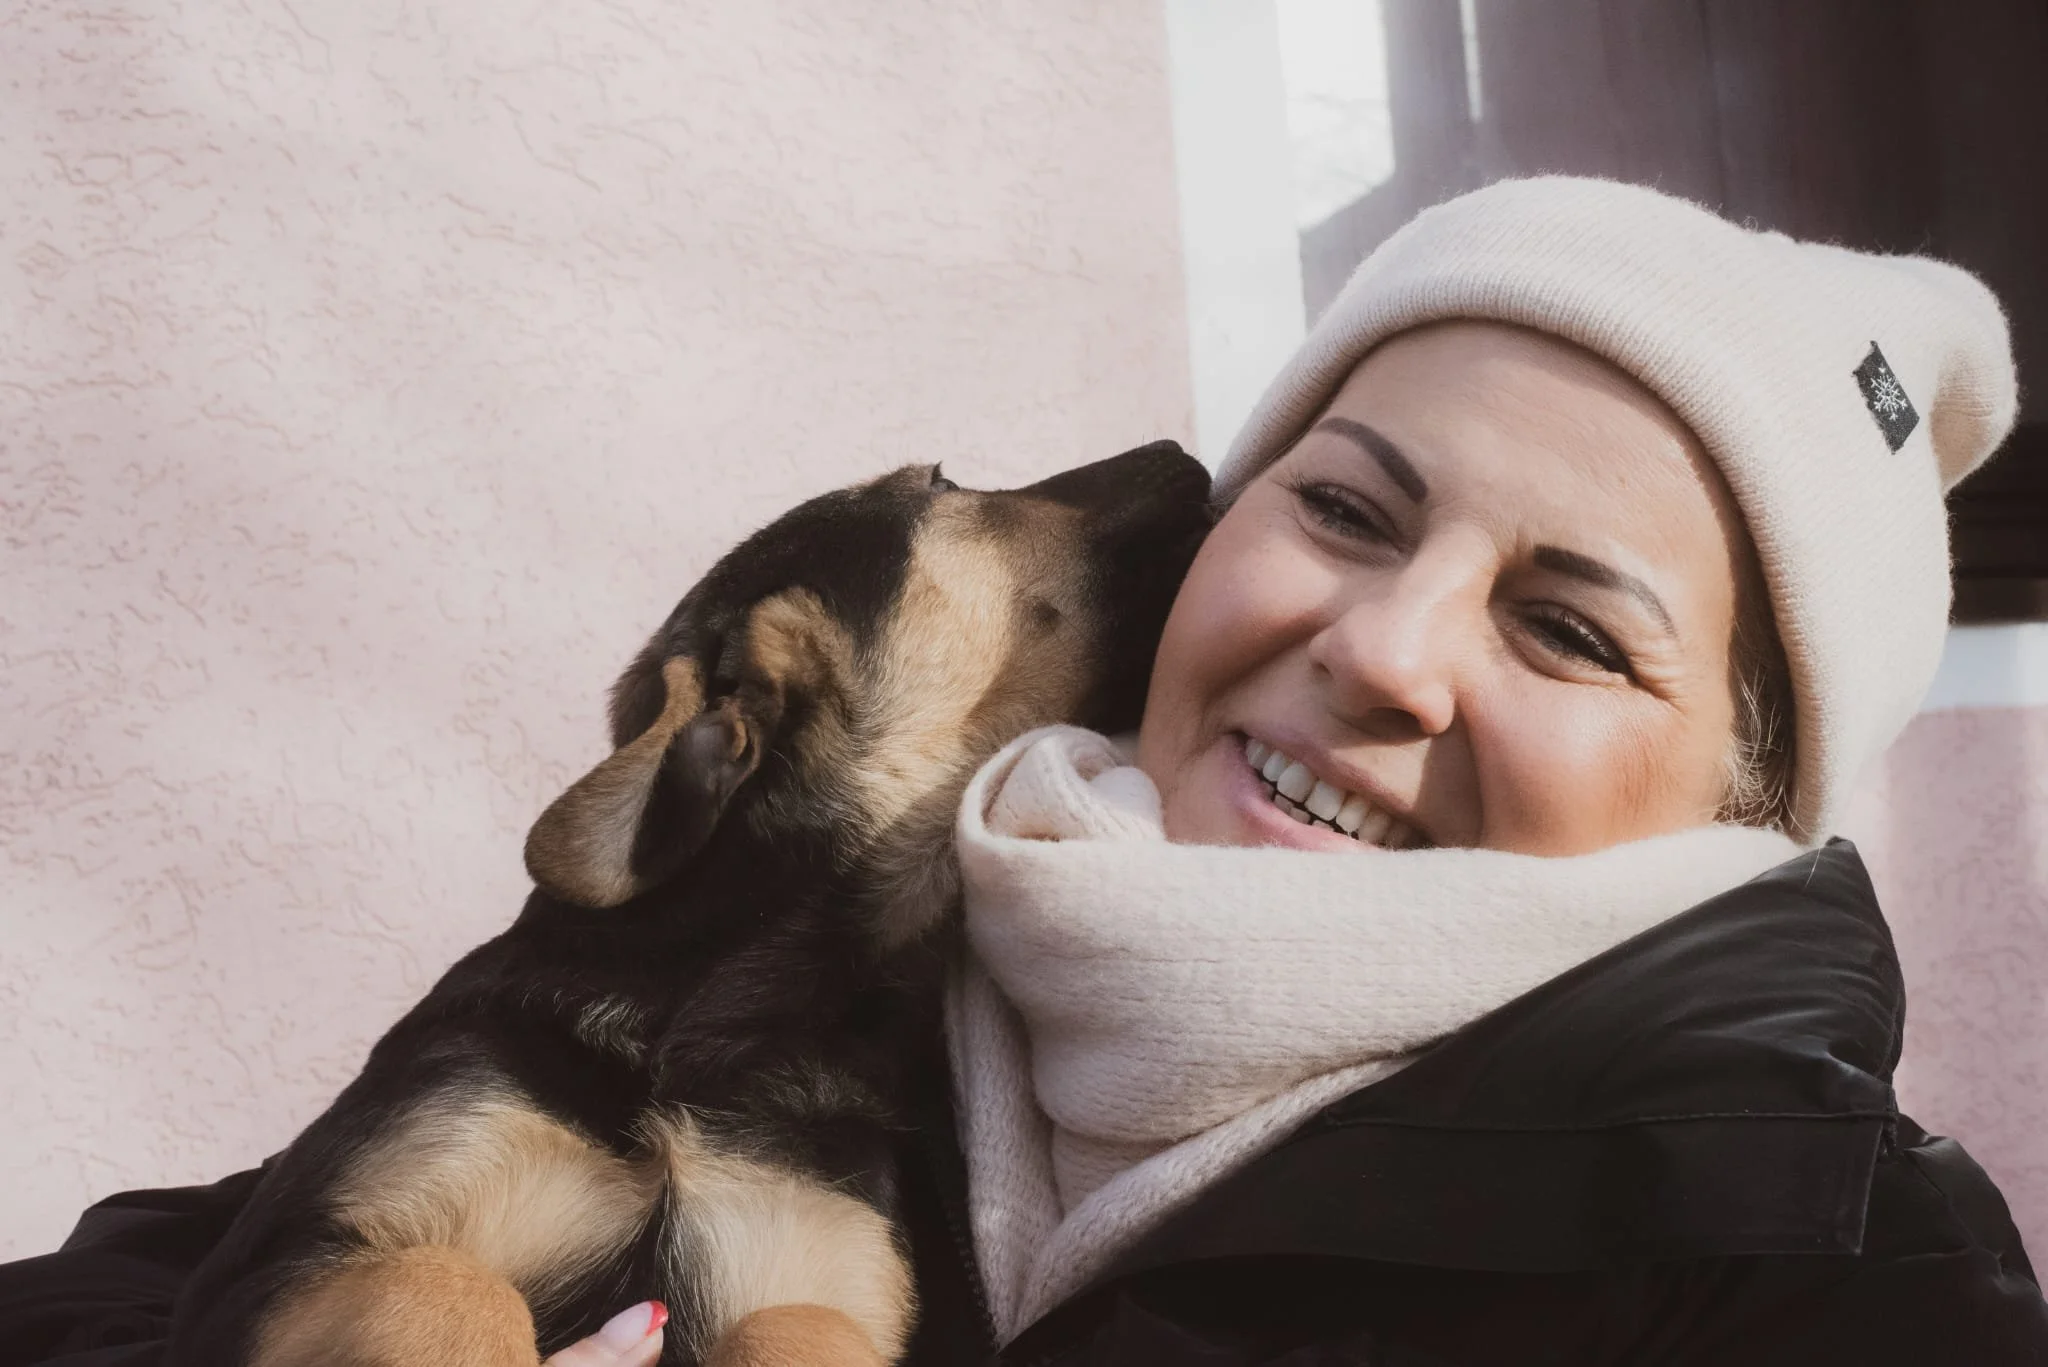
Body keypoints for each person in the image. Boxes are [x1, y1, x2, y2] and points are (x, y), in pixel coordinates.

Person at [4, 178, 2044, 1366]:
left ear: (1736, 813)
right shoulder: (861, 934)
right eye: (1342, 504)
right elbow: (143, 1282)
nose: (1384, 647)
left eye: (1572, 627)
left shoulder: (1829, 1272)